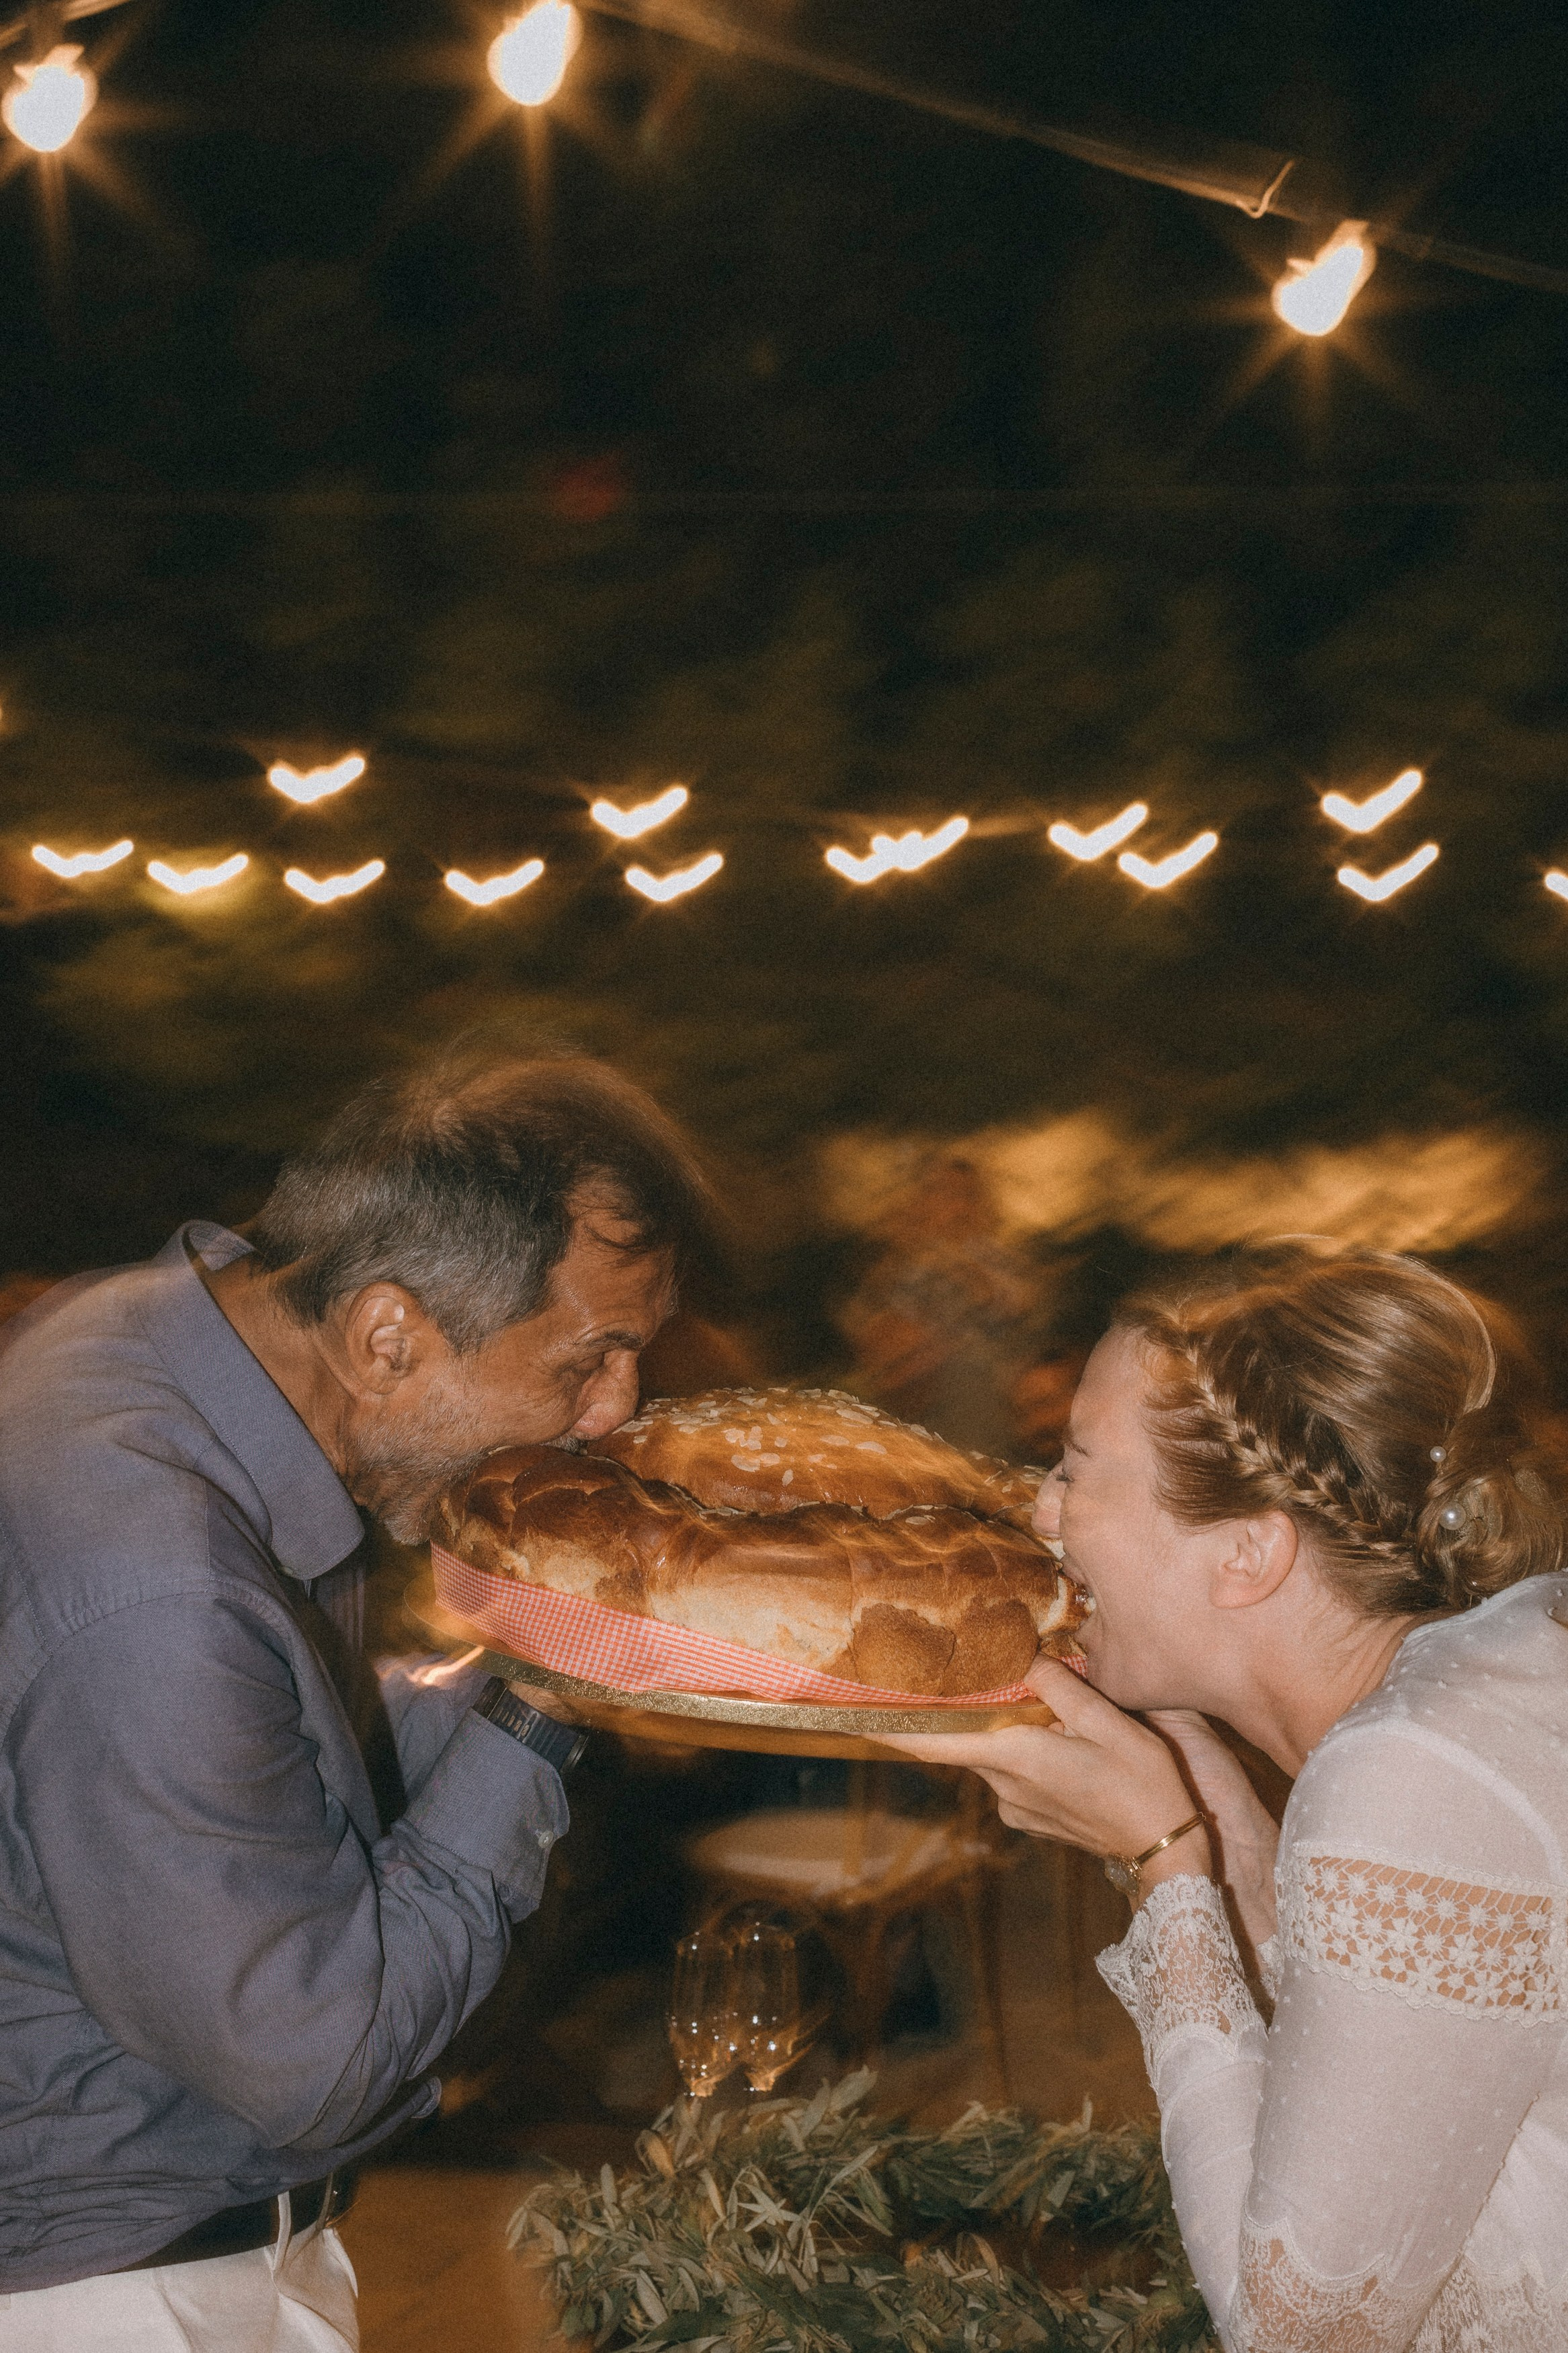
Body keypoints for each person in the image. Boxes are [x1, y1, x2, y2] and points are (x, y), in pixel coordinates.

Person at [0, 1047, 717, 2350]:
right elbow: (316, 2065)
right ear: (388, 1334)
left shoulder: (142, 1341)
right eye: (591, 1356)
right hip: (130, 2299)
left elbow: (255, 1740)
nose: (616, 1414)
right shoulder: (161, 1579)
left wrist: (504, 1673)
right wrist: (541, 1708)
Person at [891, 1242, 1568, 2350]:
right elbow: (1380, 2070)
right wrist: (1220, 1821)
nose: (1037, 1514)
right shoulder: (1476, 1685)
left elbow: (1295, 2331)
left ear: (1246, 1554)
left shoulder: (1412, 1770)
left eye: (1073, 1468)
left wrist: (1164, 1866)